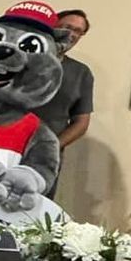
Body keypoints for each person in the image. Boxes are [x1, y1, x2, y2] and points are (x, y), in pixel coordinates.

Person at [34, 8, 95, 155]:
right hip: (3, 147)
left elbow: (81, 122)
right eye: (67, 27)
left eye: (78, 31)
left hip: (45, 155)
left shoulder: (81, 73)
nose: (71, 34)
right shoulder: (23, 60)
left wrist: (52, 147)